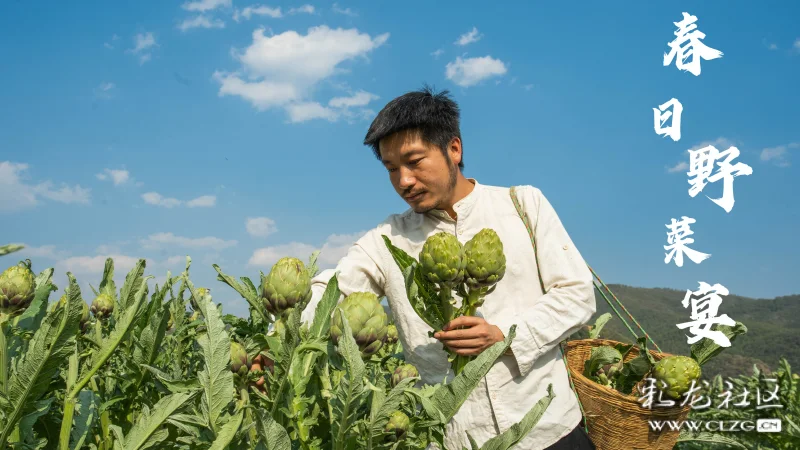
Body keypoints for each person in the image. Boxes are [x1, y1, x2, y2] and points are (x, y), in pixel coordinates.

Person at [300, 86, 597, 450]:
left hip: (550, 431)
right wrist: (279, 335)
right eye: (391, 169)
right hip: (455, 437)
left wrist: (504, 336)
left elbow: (577, 294)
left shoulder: (523, 205)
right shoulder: (386, 240)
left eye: (414, 161)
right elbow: (333, 289)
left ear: (454, 149)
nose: (404, 181)